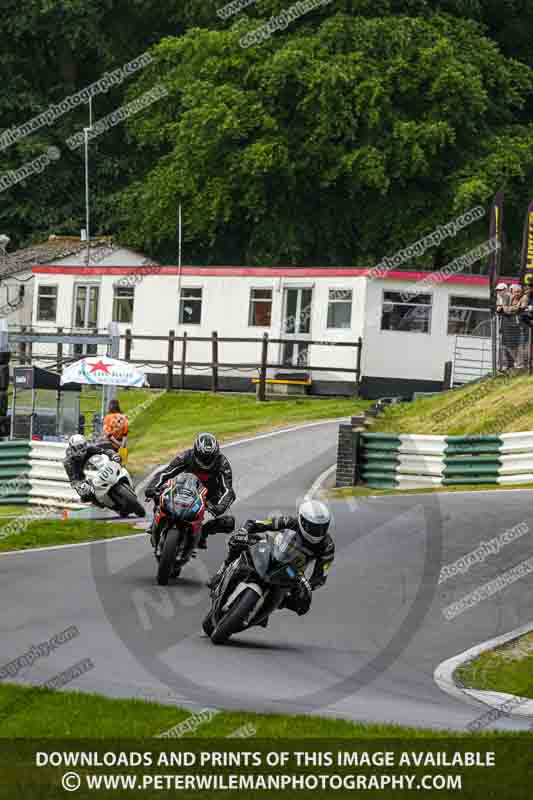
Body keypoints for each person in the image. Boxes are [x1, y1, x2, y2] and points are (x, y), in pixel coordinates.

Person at [207, 499, 335, 618]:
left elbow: (321, 576)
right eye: (312, 527)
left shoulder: (327, 546)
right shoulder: (289, 522)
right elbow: (259, 524)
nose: (317, 532)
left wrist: (308, 586)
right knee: (238, 541)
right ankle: (222, 571)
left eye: (321, 528)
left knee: (303, 605)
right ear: (302, 520)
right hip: (272, 553)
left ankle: (275, 603)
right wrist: (244, 530)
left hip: (292, 574)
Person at [145, 432, 235, 550]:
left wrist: (220, 507)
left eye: (210, 457)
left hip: (210, 496)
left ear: (216, 454)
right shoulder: (186, 456)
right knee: (159, 492)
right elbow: (165, 473)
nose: (206, 461)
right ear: (196, 452)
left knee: (229, 522)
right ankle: (155, 523)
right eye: (204, 457)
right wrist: (152, 487)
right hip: (185, 488)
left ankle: (202, 533)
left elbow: (228, 490)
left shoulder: (222, 463)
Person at [63, 433, 120, 502]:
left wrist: (113, 455)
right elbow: (73, 480)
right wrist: (80, 486)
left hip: (95, 470)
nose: (83, 449)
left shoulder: (89, 448)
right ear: (73, 448)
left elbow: (104, 451)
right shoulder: (68, 462)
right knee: (85, 496)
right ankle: (100, 504)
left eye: (84, 445)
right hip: (83, 479)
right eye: (79, 447)